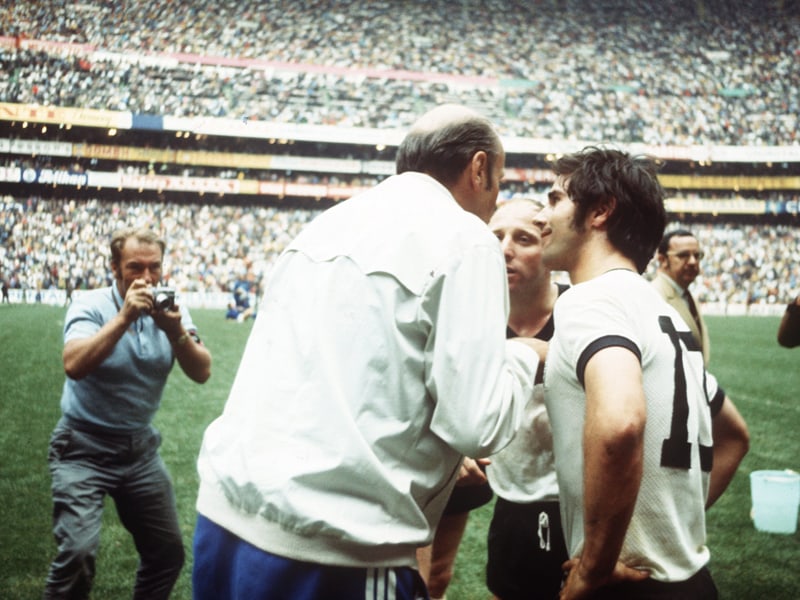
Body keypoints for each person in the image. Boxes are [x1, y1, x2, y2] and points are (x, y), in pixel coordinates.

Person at [192, 104, 544, 600]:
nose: (494, 202)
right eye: (499, 182)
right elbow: (477, 424)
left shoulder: (327, 223)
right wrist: (526, 355)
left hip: (225, 519)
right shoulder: (464, 237)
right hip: (333, 547)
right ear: (479, 168)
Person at [537, 147, 748, 599]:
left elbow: (620, 423)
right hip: (690, 579)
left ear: (600, 211)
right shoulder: (659, 313)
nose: (541, 216)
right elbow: (734, 435)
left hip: (625, 587)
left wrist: (593, 567)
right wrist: (671, 523)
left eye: (553, 200)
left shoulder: (589, 298)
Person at [44, 227, 212, 600]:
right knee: (77, 555)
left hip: (139, 451)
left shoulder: (170, 306)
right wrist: (122, 319)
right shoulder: (90, 303)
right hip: (81, 447)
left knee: (168, 553)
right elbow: (74, 364)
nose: (146, 277)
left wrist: (176, 331)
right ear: (115, 268)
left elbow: (202, 371)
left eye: (154, 268)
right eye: (135, 267)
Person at [484, 198, 569, 600]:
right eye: (496, 236)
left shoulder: (582, 313)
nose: (505, 249)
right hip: (511, 501)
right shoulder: (475, 322)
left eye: (523, 238)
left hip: (581, 508)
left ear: (550, 248)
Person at [651, 229, 711, 364]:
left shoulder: (687, 296)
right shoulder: (655, 297)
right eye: (683, 255)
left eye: (697, 255)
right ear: (662, 259)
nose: (692, 261)